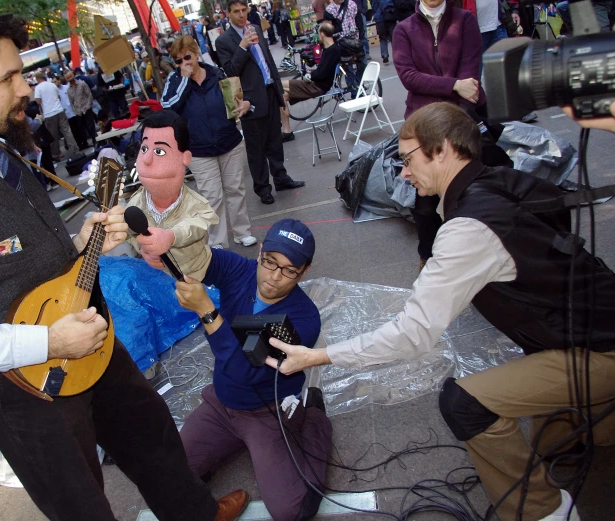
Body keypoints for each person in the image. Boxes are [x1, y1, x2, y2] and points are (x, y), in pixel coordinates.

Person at [0, 3, 249, 521]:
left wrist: (76, 244)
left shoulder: (0, 147)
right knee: (81, 502)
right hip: (20, 381)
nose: (25, 88)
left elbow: (5, 254)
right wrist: (48, 341)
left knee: (151, 433)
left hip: (83, 336)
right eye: (8, 78)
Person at [267, 102, 615, 521]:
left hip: (598, 349)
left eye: (408, 158)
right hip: (584, 329)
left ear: (444, 149)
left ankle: (546, 512)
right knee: (548, 439)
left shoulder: (469, 228)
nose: (402, 171)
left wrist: (318, 356)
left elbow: (414, 334)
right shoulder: (493, 182)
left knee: (465, 403)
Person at [175, 219, 332, 521]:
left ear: (305, 271)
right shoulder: (241, 270)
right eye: (270, 262)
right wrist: (167, 239)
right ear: (260, 251)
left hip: (267, 410)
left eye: (289, 270)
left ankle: (314, 420)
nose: (274, 277)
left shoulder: (303, 318)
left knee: (291, 510)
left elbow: (245, 372)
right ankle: (233, 441)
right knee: (169, 475)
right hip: (222, 402)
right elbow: (199, 259)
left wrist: (207, 311)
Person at [392, 0, 484, 269]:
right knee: (425, 204)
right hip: (422, 123)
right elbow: (409, 77)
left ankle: (481, 253)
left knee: (478, 187)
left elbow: (470, 81)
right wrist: (453, 85)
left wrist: (459, 94)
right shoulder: (403, 29)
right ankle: (428, 258)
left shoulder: (465, 20)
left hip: (461, 118)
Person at [161, 35, 258, 249]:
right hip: (199, 150)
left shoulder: (216, 73)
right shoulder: (175, 81)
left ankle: (242, 232)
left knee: (236, 190)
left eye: (187, 57)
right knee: (212, 197)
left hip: (229, 141)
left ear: (196, 54)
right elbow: (169, 107)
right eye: (178, 61)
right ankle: (217, 241)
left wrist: (244, 105)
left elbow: (236, 97)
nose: (184, 63)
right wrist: (185, 79)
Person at [216, 0, 305, 205]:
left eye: (244, 10)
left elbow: (268, 61)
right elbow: (230, 71)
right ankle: (263, 188)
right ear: (228, 14)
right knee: (256, 148)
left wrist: (278, 90)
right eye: (236, 11)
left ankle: (281, 178)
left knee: (275, 141)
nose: (241, 14)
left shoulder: (255, 28)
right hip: (248, 100)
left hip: (269, 92)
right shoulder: (224, 41)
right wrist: (243, 46)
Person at [124, 110, 220, 280]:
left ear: (185, 158)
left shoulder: (195, 203)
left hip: (195, 277)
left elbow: (197, 226)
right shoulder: (135, 202)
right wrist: (142, 248)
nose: (146, 159)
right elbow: (130, 233)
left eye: (159, 151)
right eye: (144, 148)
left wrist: (171, 236)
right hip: (158, 280)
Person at [280, 21, 341, 136]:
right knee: (282, 96)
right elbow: (322, 70)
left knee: (278, 85)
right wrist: (312, 72)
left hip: (318, 86)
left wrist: (311, 75)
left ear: (322, 34)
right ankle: (286, 131)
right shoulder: (328, 49)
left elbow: (322, 73)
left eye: (318, 33)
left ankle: (281, 126)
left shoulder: (333, 50)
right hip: (317, 84)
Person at [34, 71, 79, 159]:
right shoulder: (52, 85)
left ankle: (56, 153)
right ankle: (74, 149)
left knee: (53, 135)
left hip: (49, 113)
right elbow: (58, 97)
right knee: (67, 131)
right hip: (59, 110)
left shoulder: (38, 88)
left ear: (37, 79)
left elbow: (38, 101)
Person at [65, 70, 97, 149]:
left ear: (73, 75)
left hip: (86, 108)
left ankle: (95, 140)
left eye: (70, 76)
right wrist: (75, 111)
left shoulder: (82, 83)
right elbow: (71, 102)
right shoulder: (68, 90)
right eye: (68, 77)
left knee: (90, 126)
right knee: (82, 128)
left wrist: (88, 106)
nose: (70, 78)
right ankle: (85, 143)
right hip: (78, 111)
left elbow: (89, 95)